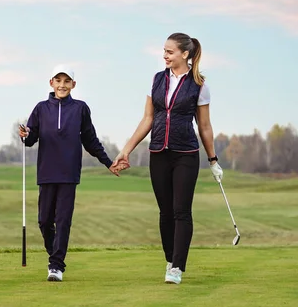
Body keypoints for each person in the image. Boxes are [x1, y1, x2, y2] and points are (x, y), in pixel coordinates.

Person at [112, 32, 223, 285]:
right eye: (164, 51)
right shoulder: (156, 80)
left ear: (185, 54)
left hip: (186, 154)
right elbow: (148, 119)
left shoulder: (200, 85)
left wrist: (213, 160)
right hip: (158, 153)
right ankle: (170, 258)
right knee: (165, 212)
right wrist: (126, 149)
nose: (165, 55)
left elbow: (204, 126)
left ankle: (177, 267)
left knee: (181, 211)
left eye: (170, 52)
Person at [19, 64, 128, 282]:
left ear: (73, 85)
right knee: (44, 221)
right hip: (46, 173)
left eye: (66, 81)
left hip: (69, 173)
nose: (62, 85)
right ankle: (55, 256)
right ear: (51, 83)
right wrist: (25, 134)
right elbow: (30, 140)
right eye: (58, 81)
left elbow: (90, 140)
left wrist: (108, 163)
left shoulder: (80, 108)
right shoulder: (41, 108)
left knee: (63, 220)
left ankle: (56, 265)